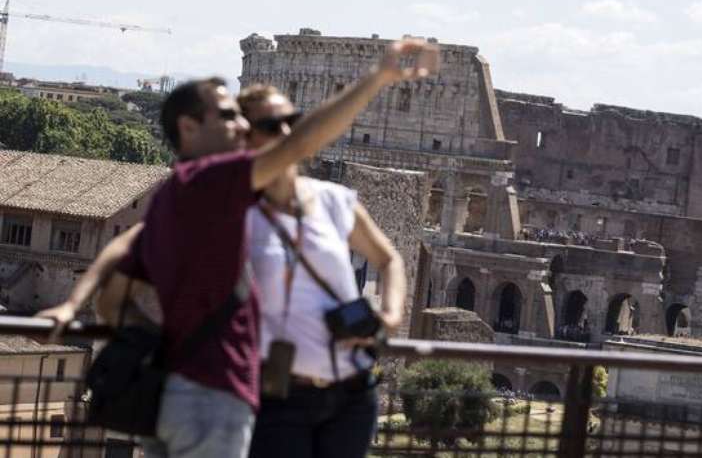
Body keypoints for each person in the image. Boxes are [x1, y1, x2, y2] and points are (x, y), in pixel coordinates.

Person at [36, 39, 439, 458]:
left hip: (318, 388)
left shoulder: (207, 194)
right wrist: (379, 77)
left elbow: (118, 269)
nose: (272, 132)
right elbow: (301, 145)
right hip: (231, 394)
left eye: (290, 121)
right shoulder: (219, 191)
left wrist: (88, 309)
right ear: (196, 129)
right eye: (257, 124)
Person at [237, 84, 405, 458]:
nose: (285, 133)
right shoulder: (234, 207)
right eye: (269, 124)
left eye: (292, 122)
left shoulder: (332, 199)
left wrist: (391, 316)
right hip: (279, 396)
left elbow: (389, 259)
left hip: (352, 393)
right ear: (243, 137)